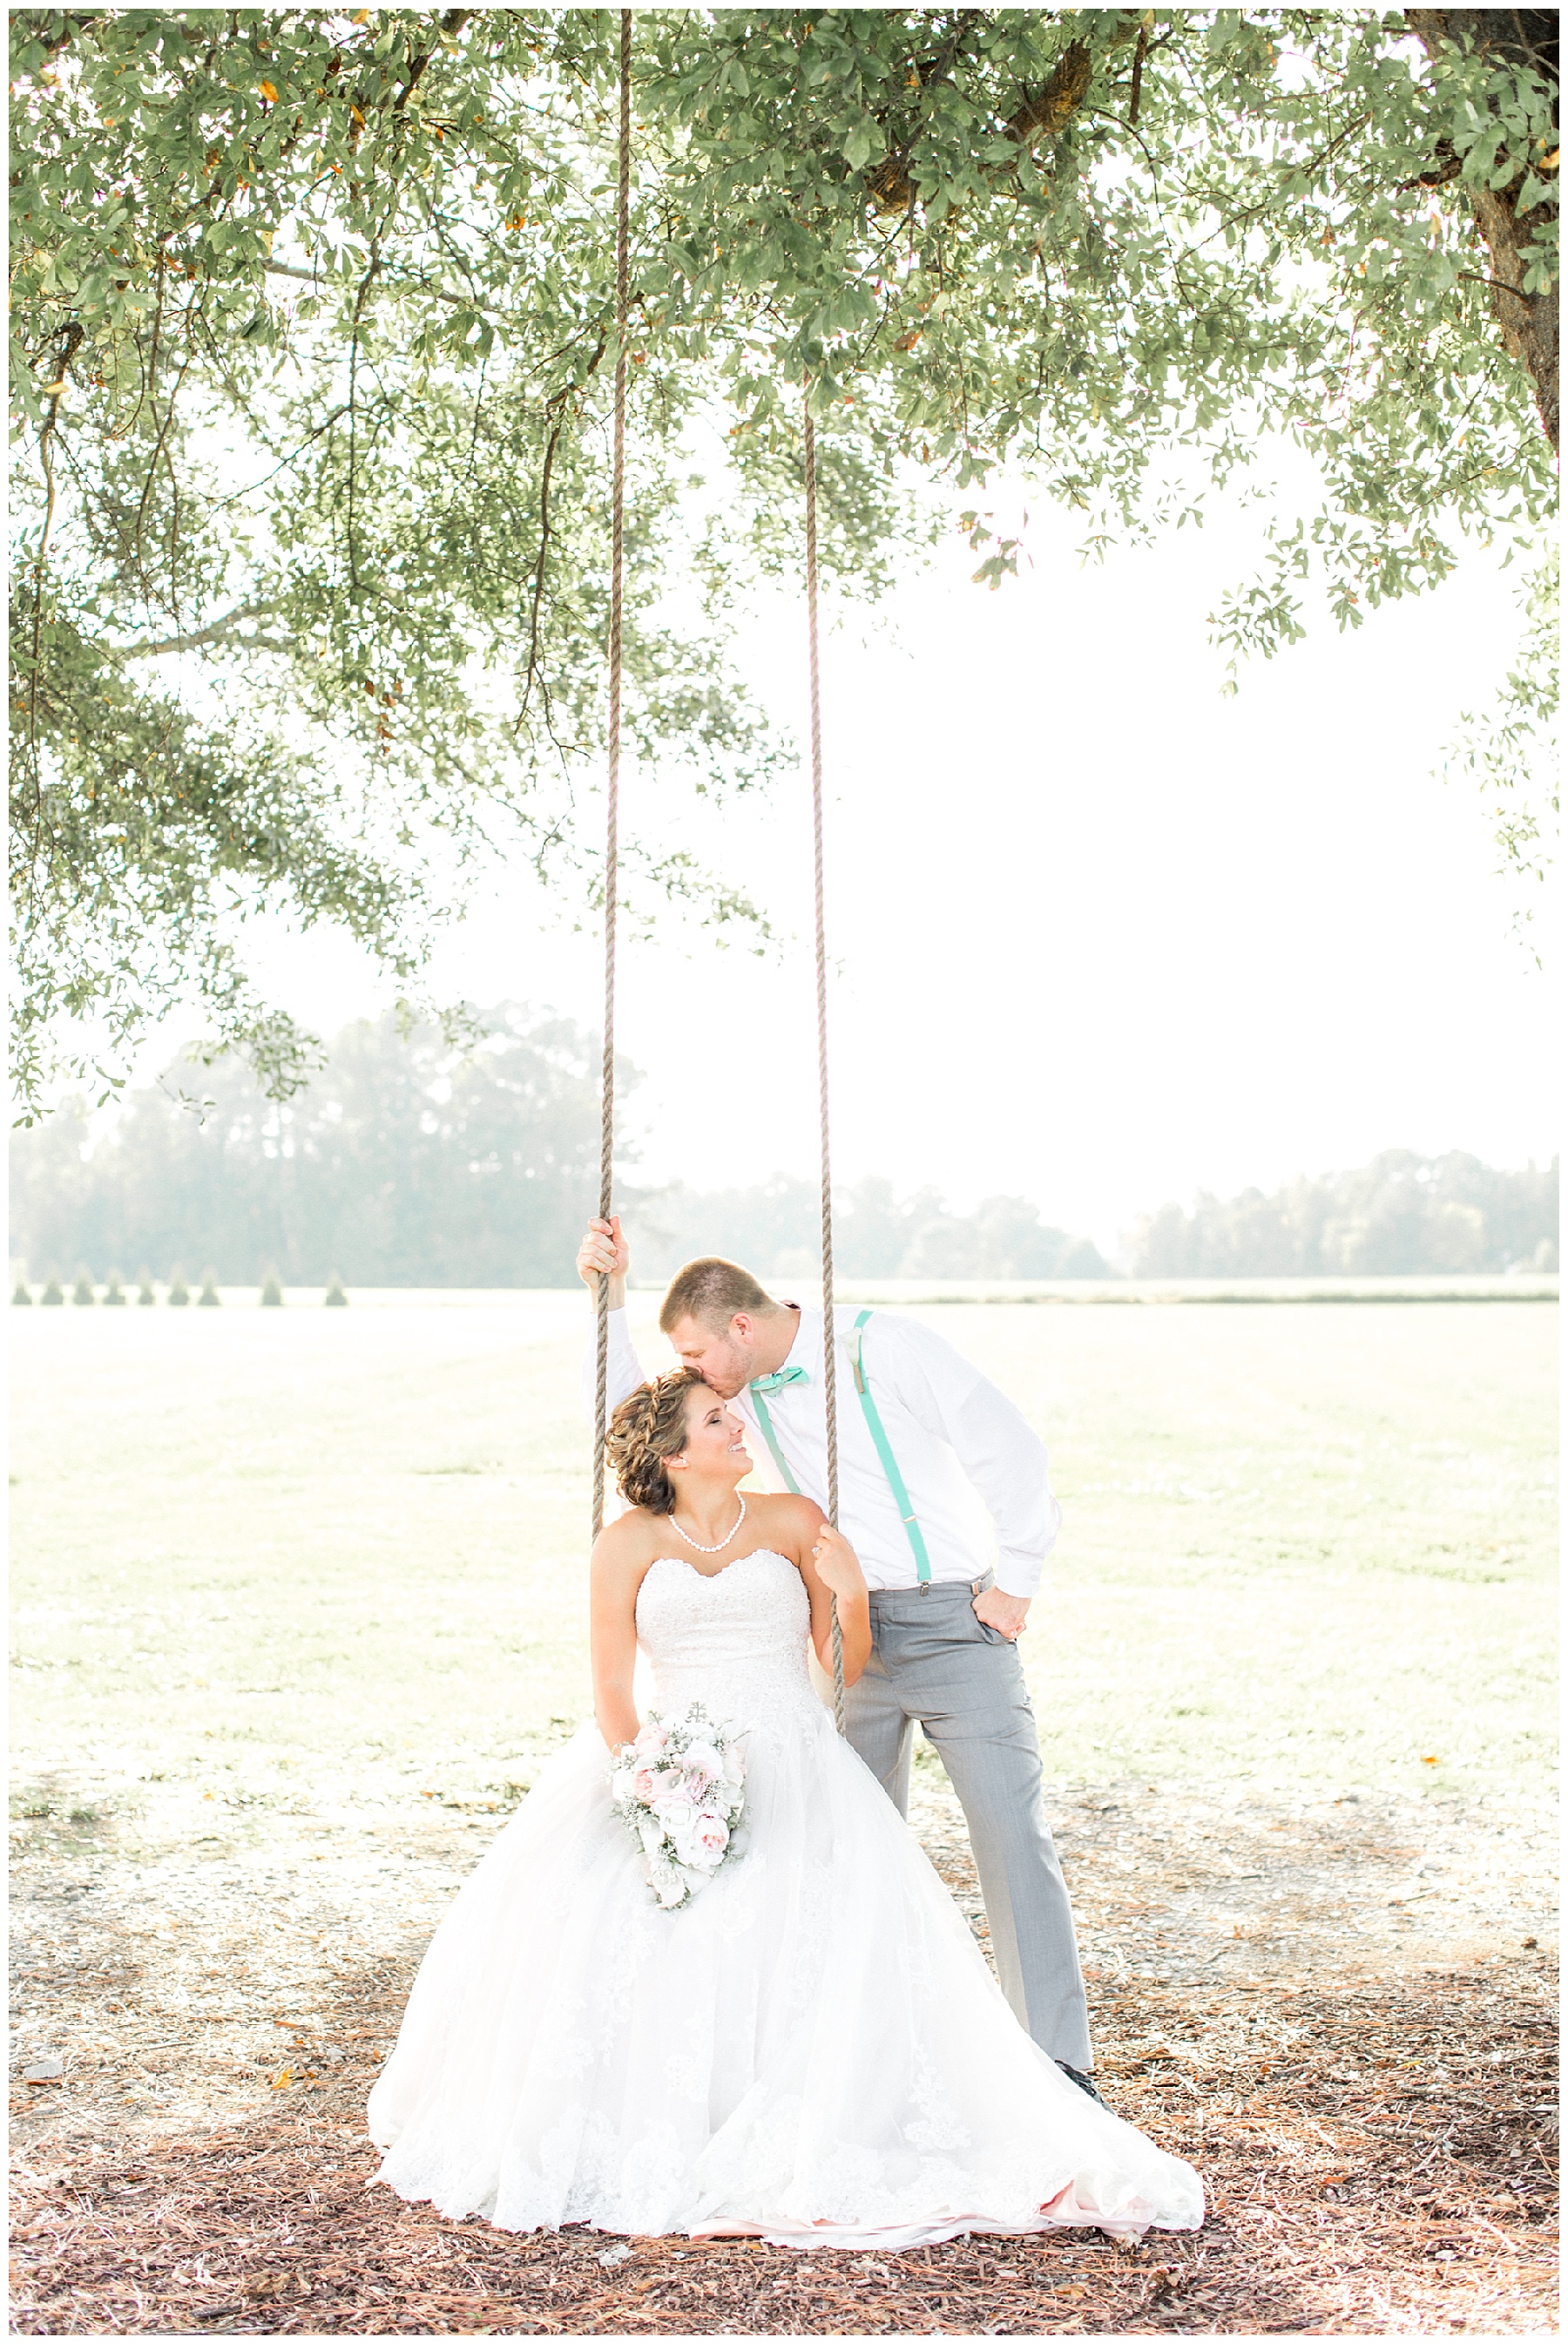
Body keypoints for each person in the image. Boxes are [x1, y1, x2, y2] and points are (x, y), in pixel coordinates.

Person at [368, 1371, 1203, 2245]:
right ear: (673, 1452)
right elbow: (612, 1692)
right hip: (672, 1758)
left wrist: (844, 1588)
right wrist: (657, 1785)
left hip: (795, 1756)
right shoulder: (625, 1542)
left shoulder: (793, 1519)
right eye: (716, 1418)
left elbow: (841, 1666)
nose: (738, 1424)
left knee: (816, 1935)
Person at [577, 1218, 1099, 2093]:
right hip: (818, 1640)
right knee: (837, 1854)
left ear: (741, 1329)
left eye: (700, 1351)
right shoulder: (725, 1398)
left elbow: (1003, 1441)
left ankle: (1057, 2062)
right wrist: (609, 1297)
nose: (697, 1372)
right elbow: (643, 1422)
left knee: (1011, 1836)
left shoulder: (877, 1346)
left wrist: (1017, 1576)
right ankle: (854, 2060)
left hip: (949, 1620)